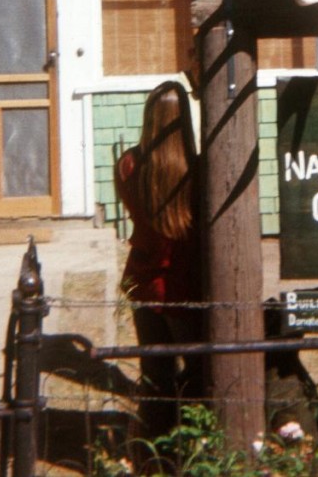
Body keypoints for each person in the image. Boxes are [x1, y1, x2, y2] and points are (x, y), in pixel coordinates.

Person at [115, 80, 203, 450]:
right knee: (198, 371)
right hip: (181, 285)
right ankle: (192, 446)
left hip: (142, 281)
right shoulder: (196, 171)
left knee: (154, 375)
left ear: (150, 118)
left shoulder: (128, 165)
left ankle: (151, 450)